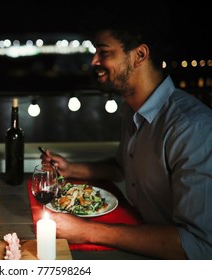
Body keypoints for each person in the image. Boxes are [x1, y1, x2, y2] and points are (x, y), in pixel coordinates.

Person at [41, 3, 212, 259]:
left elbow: (199, 246)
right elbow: (122, 167)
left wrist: (88, 231)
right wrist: (70, 168)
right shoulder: (132, 109)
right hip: (139, 236)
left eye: (103, 52)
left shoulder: (191, 128)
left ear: (140, 55)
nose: (94, 61)